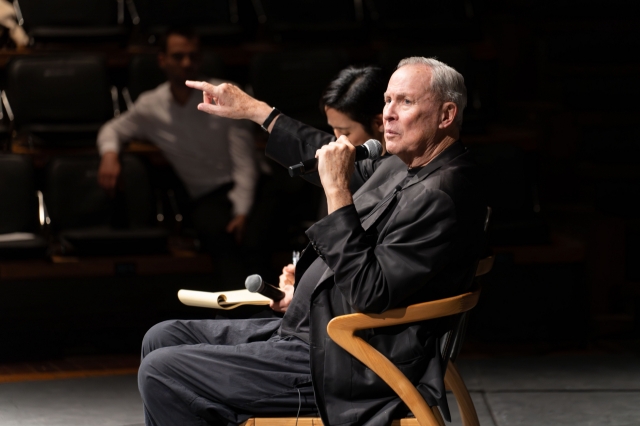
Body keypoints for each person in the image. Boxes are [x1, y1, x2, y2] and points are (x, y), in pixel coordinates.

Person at [139, 57, 486, 426]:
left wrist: (336, 190)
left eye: (405, 102)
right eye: (387, 100)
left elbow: (370, 292)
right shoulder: (406, 163)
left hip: (350, 362)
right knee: (161, 337)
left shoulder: (443, 195)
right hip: (314, 330)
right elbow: (330, 153)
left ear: (446, 114)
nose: (388, 113)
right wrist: (256, 112)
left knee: (163, 370)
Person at [96, 27, 258, 284]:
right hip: (207, 195)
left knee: (253, 237)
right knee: (216, 232)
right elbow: (113, 128)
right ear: (162, 60)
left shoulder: (224, 95)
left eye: (193, 56)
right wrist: (109, 155)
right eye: (178, 56)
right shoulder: (151, 105)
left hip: (251, 187)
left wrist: (242, 210)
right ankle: (244, 316)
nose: (186, 63)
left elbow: (245, 162)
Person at [278, 65, 389, 294]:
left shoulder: (396, 179)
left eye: (345, 132)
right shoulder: (348, 163)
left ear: (380, 122)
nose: (336, 142)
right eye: (333, 130)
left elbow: (365, 280)